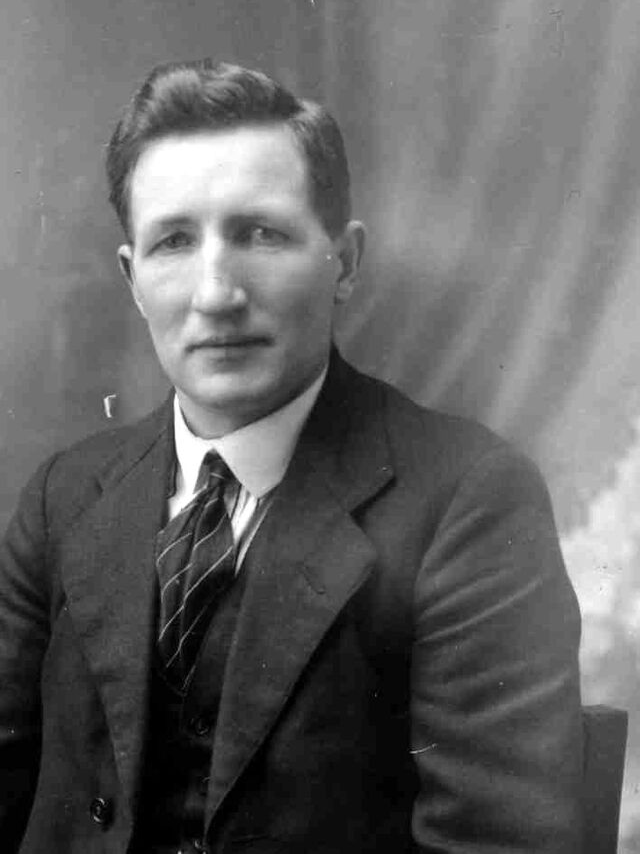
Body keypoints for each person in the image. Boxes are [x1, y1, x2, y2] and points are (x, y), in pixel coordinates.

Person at [0, 59, 583, 854]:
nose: (216, 293)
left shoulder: (467, 501)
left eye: (260, 233)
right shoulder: (64, 497)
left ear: (345, 260)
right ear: (133, 278)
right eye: (174, 241)